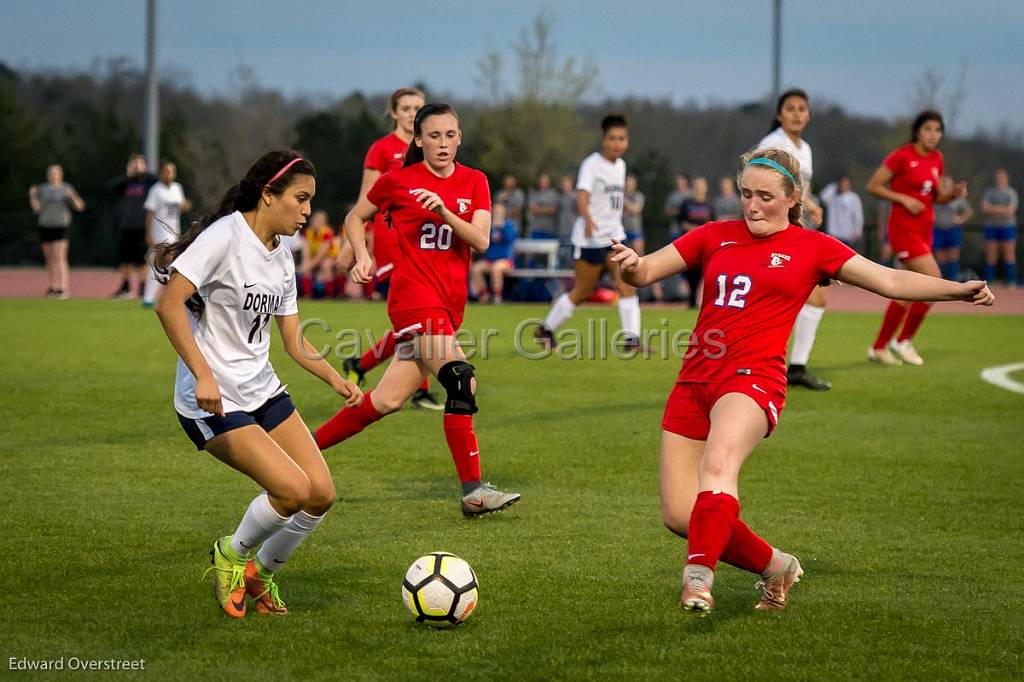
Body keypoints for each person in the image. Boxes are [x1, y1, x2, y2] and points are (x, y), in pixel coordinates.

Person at [609, 147, 994, 615]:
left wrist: (957, 288)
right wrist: (629, 265)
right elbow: (646, 271)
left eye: (765, 196)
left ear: (794, 198)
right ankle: (776, 565)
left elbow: (891, 281)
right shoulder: (715, 235)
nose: (752, 206)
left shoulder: (814, 248)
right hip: (694, 380)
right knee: (678, 514)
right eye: (746, 194)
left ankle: (698, 577)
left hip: (753, 381)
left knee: (718, 466)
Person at [152, 150, 363, 618]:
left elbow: (292, 339)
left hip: (262, 390)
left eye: (311, 201)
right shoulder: (225, 237)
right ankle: (231, 553)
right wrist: (203, 372)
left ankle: (260, 572)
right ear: (268, 195)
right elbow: (169, 305)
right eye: (300, 199)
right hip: (210, 400)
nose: (307, 211)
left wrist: (336, 380)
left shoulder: (282, 256)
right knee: (291, 489)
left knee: (321, 494)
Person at [315, 103, 521, 518]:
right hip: (413, 299)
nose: (442, 143)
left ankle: (299, 445)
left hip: (449, 305)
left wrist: (443, 211)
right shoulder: (398, 181)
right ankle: (473, 491)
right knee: (461, 380)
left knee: (386, 400)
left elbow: (480, 241)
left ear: (459, 137)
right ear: (419, 140)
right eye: (433, 136)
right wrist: (359, 254)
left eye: (449, 135)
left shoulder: (475, 181)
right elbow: (356, 218)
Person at [337, 87, 442, 411]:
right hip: (390, 238)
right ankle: (419, 388)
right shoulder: (382, 150)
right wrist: (349, 246)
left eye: (418, 108)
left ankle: (360, 365)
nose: (413, 113)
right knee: (417, 316)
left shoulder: (432, 147)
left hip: (421, 242)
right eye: (407, 108)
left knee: (418, 318)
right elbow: (364, 201)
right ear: (394, 113)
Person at [867, 110, 968, 366]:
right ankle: (903, 342)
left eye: (937, 130)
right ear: (917, 131)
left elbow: (935, 197)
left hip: (925, 231)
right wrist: (903, 199)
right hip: (903, 231)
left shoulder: (937, 158)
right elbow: (873, 186)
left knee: (905, 293)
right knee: (933, 283)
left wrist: (953, 195)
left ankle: (879, 348)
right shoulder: (901, 156)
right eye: (928, 129)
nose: (933, 135)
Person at [534, 114, 642, 351]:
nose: (617, 143)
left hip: (614, 235)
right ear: (604, 140)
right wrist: (589, 220)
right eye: (613, 138)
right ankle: (545, 329)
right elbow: (582, 195)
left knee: (626, 284)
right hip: (590, 239)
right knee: (583, 290)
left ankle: (632, 340)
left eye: (622, 138)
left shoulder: (621, 166)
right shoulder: (592, 164)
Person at [756, 88, 830, 391]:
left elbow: (800, 187)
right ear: (779, 114)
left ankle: (795, 367)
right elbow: (760, 181)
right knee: (780, 297)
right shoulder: (773, 144)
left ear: (809, 114)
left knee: (813, 296)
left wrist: (810, 204)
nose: (797, 113)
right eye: (791, 108)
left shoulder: (805, 148)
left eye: (802, 108)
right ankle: (771, 364)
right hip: (775, 231)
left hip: (796, 231)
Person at [28, 164, 84, 299]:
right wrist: (32, 196)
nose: (53, 175)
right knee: (49, 258)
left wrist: (72, 196)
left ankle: (63, 288)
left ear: (61, 174)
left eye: (56, 173)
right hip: (45, 225)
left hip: (61, 226)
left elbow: (80, 206)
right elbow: (37, 209)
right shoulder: (42, 189)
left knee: (60, 257)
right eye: (51, 173)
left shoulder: (66, 188)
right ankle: (53, 286)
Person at [143, 162, 191, 308]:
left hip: (174, 231)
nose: (169, 175)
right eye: (166, 172)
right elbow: (150, 212)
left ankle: (150, 298)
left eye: (171, 172)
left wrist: (185, 206)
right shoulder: (156, 190)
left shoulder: (177, 188)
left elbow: (179, 208)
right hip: (160, 232)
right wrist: (149, 233)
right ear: (161, 173)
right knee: (164, 263)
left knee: (162, 265)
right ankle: (154, 297)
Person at [111, 154, 157, 299]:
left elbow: (158, 185)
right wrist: (128, 175)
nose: (137, 166)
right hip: (126, 226)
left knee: (142, 259)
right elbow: (113, 187)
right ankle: (125, 287)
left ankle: (142, 288)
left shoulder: (149, 181)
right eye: (134, 163)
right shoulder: (126, 183)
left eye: (139, 163)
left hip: (142, 226)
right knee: (125, 259)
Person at [677, 177, 715, 309]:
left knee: (700, 273)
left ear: (706, 188)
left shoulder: (709, 206)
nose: (699, 189)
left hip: (704, 245)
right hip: (689, 243)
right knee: (689, 272)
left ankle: (696, 299)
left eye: (701, 186)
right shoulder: (686, 204)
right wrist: (695, 230)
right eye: (697, 186)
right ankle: (692, 297)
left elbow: (713, 224)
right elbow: (680, 222)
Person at [470, 203, 516, 303]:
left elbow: (510, 239)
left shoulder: (508, 225)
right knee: (476, 269)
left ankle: (497, 296)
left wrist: (501, 228)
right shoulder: (490, 226)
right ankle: (483, 295)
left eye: (499, 212)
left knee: (496, 269)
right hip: (490, 260)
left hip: (505, 261)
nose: (497, 214)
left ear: (504, 213)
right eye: (495, 212)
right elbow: (483, 240)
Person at [981, 169, 1018, 287]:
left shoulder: (1011, 193)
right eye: (998, 177)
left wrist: (993, 209)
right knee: (991, 255)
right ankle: (989, 282)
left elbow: (1010, 211)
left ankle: (1011, 281)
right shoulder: (989, 192)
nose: (999, 180)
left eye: (1002, 177)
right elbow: (984, 208)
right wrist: (1001, 209)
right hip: (991, 227)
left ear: (1007, 179)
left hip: (1007, 227)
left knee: (1009, 255)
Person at [932, 176, 972, 281]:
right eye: (944, 184)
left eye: (948, 184)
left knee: (953, 258)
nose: (946, 186)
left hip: (953, 230)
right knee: (940, 259)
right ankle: (940, 281)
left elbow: (968, 211)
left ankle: (953, 281)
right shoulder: (936, 197)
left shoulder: (957, 198)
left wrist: (960, 219)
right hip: (938, 230)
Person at [298, 209, 342, 298]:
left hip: (329, 257)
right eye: (316, 220)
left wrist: (310, 265)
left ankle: (329, 295)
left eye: (320, 221)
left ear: (325, 222)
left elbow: (322, 254)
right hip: (314, 257)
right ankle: (307, 294)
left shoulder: (327, 233)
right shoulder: (308, 232)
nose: (317, 223)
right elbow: (306, 251)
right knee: (306, 265)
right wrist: (306, 263)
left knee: (326, 265)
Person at [820, 176, 864, 251]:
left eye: (845, 183)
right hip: (834, 235)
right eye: (842, 183)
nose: (843, 185)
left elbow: (858, 215)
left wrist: (858, 231)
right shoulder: (832, 196)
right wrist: (835, 187)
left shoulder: (853, 197)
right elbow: (823, 196)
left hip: (848, 235)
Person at [527, 173, 560, 239]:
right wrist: (547, 208)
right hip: (535, 229)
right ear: (538, 182)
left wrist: (539, 208)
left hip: (549, 230)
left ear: (549, 182)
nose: (543, 183)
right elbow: (533, 210)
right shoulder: (533, 193)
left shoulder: (553, 193)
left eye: (545, 182)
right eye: (541, 181)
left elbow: (553, 210)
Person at [556, 174, 578, 266]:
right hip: (561, 231)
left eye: (567, 183)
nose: (565, 185)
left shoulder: (575, 196)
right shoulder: (560, 198)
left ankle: (570, 279)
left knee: (571, 255)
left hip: (572, 230)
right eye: (563, 183)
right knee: (562, 255)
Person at [623, 174, 646, 254]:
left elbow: (637, 209)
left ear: (635, 184)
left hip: (635, 230)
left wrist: (624, 202)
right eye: (627, 181)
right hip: (622, 231)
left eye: (631, 181)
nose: (628, 183)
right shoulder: (620, 195)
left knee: (639, 254)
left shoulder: (638, 195)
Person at [664, 174, 692, 239]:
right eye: (677, 180)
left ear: (686, 181)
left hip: (690, 230)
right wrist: (679, 210)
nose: (678, 182)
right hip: (675, 229)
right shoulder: (672, 195)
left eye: (681, 179)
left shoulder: (692, 194)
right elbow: (667, 212)